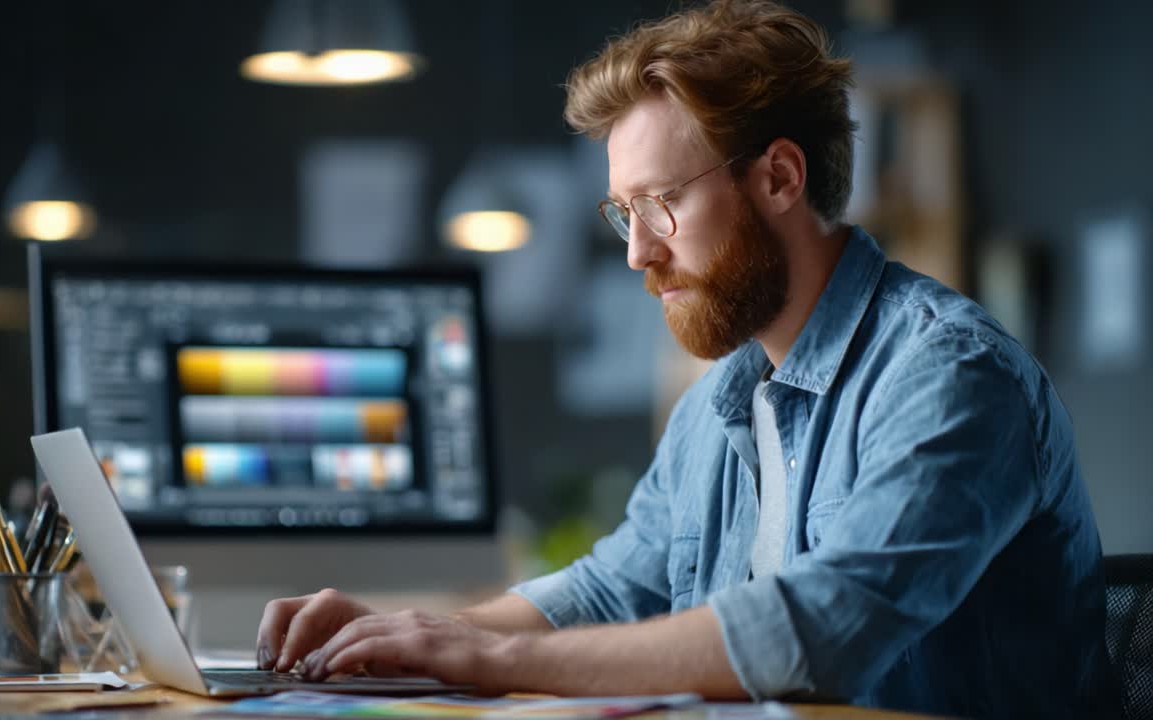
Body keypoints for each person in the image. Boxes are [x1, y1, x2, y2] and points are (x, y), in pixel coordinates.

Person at [255, 1, 1113, 715]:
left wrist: (481, 659)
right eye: (622, 211)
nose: (637, 253)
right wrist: (411, 638)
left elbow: (817, 634)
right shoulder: (722, 400)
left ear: (778, 178)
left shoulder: (951, 376)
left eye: (661, 204)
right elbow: (609, 589)